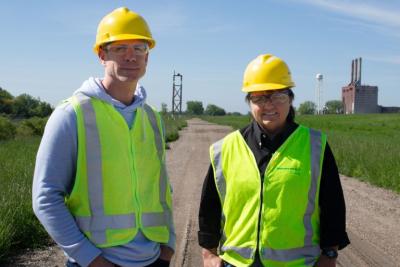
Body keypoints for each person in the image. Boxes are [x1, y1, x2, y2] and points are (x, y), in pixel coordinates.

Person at [32, 7, 175, 267]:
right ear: (101, 54)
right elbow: (45, 197)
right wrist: (91, 259)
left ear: (148, 56)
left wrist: (170, 246)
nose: (131, 57)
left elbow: (162, 189)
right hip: (97, 262)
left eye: (139, 48)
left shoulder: (153, 118)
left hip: (154, 259)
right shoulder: (71, 114)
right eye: (120, 48)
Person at [198, 54, 350, 267]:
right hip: (237, 263)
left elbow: (333, 205)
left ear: (290, 99)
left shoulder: (315, 145)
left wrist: (330, 254)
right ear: (249, 102)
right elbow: (209, 207)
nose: (269, 105)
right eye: (259, 97)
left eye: (278, 95)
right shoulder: (225, 148)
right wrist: (209, 253)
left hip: (297, 264)